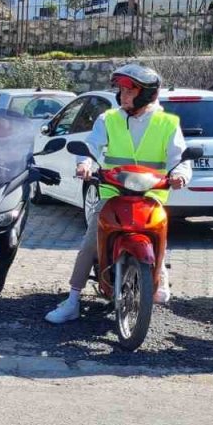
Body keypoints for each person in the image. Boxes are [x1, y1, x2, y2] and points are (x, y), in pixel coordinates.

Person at [46, 64, 190, 324]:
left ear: (146, 94)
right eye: (121, 90)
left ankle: (160, 273)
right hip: (113, 193)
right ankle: (73, 300)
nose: (122, 96)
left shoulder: (168, 123)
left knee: (161, 231)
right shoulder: (108, 119)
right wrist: (85, 163)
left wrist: (180, 175)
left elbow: (179, 158)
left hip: (150, 194)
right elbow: (91, 146)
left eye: (129, 91)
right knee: (91, 240)